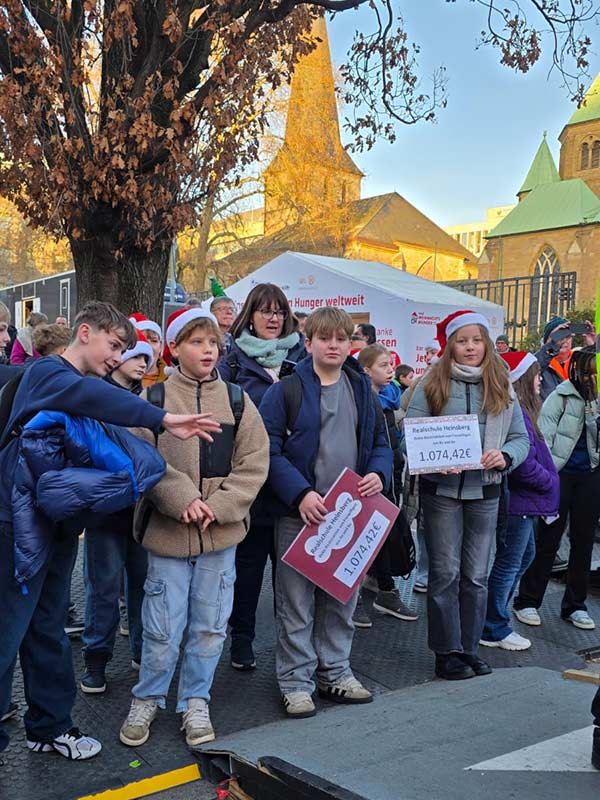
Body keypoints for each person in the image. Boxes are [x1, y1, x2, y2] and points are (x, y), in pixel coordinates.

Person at [0, 302, 221, 761]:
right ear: (85, 332)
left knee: (47, 628)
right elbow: (93, 397)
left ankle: (49, 727)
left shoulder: (79, 386)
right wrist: (162, 418)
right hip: (17, 528)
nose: (119, 357)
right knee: (7, 633)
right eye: (115, 345)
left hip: (53, 526)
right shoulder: (48, 374)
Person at [119, 307, 269, 749]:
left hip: (219, 537)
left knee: (210, 626)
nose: (208, 350)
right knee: (162, 626)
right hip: (168, 536)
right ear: (174, 347)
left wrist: (219, 506)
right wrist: (181, 498)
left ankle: (195, 699)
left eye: (213, 342)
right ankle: (148, 697)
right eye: (197, 341)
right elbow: (143, 458)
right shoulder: (153, 400)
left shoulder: (238, 401)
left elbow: (254, 463)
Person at [259, 307, 392, 718]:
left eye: (341, 338)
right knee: (295, 604)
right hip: (300, 514)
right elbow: (266, 450)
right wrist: (299, 494)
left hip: (350, 514)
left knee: (342, 599)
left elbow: (382, 442)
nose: (333, 345)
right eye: (324, 338)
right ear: (309, 342)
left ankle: (335, 671)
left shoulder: (362, 390)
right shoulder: (285, 391)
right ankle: (296, 682)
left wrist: (378, 473)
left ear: (351, 343)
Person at [405, 310, 529, 681]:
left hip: (486, 491)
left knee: (476, 575)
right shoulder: (432, 382)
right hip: (441, 491)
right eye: (462, 341)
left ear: (486, 344)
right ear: (450, 346)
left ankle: (469, 647)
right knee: (445, 573)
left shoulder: (502, 383)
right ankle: (446, 652)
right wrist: (432, 459)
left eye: (477, 340)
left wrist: (504, 456)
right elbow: (409, 433)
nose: (470, 347)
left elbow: (520, 439)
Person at [217, 283, 306, 671]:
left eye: (280, 312)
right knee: (248, 569)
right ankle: (242, 639)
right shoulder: (232, 363)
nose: (273, 319)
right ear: (250, 315)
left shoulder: (303, 358)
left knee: (293, 575)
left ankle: (294, 648)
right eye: (266, 311)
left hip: (294, 483)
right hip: (250, 484)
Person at [80, 331, 155, 694]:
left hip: (142, 513)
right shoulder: (95, 395)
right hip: (105, 513)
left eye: (147, 358)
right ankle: (96, 659)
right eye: (135, 355)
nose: (142, 363)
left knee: (143, 586)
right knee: (104, 589)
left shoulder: (151, 399)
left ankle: (142, 651)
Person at [514, 347, 600, 631]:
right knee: (548, 540)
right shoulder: (560, 397)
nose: (592, 378)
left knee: (584, 542)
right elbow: (544, 438)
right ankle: (527, 601)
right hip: (560, 476)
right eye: (589, 373)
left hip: (590, 476)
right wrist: (548, 476)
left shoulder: (597, 399)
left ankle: (575, 605)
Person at [480, 352, 559, 651]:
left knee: (523, 558)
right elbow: (523, 463)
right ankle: (493, 626)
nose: (540, 380)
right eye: (536, 374)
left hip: (525, 502)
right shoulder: (519, 414)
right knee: (509, 563)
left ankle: (495, 618)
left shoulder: (525, 411)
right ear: (524, 379)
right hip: (519, 502)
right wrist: (549, 481)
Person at [356, 345, 417, 625]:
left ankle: (383, 588)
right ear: (366, 370)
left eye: (391, 364)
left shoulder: (388, 401)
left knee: (379, 535)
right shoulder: (362, 401)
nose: (391, 369)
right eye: (383, 365)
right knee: (362, 538)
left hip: (388, 480)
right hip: (369, 482)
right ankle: (358, 596)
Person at [535, 316, 596, 402]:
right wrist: (551, 346)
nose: (564, 340)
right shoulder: (540, 365)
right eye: (559, 335)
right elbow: (529, 371)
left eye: (568, 336)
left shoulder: (579, 361)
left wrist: (593, 347)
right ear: (547, 341)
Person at [129, 314, 167, 387]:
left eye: (154, 341)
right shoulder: (121, 377)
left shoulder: (171, 377)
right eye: (143, 340)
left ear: (160, 346)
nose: (149, 346)